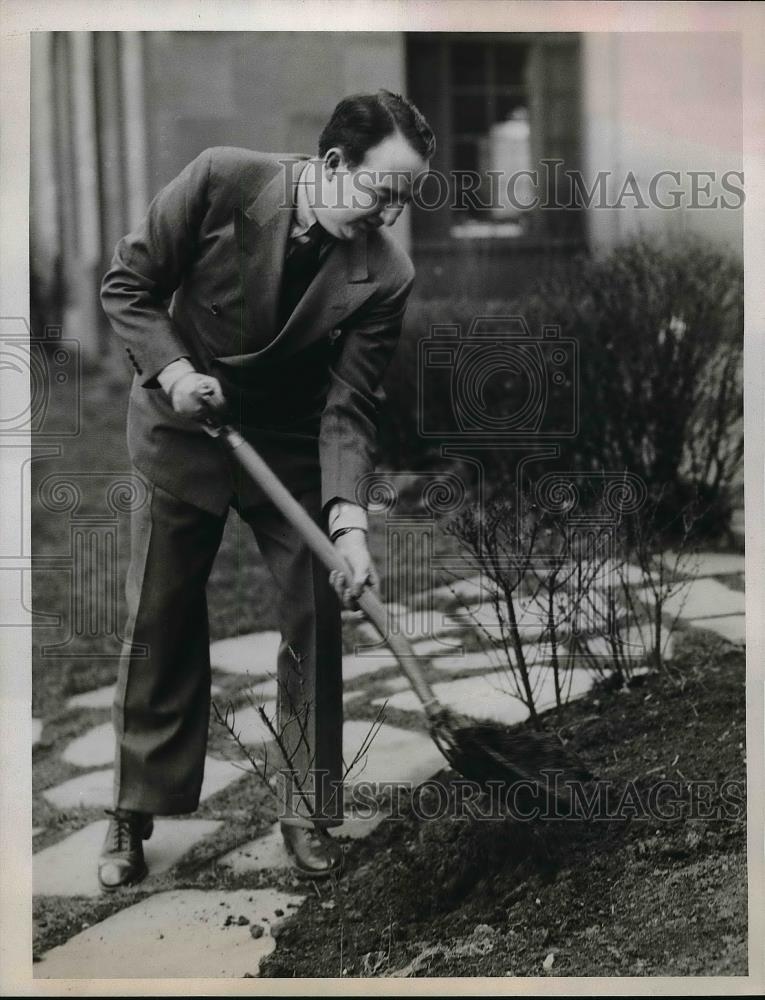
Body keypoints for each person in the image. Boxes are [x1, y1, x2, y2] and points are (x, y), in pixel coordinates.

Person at [97, 90, 434, 888]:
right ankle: (132, 809)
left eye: (404, 201)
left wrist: (348, 525)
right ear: (329, 166)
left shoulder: (386, 275)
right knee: (160, 612)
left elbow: (350, 406)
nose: (389, 217)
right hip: (182, 425)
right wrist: (175, 371)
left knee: (316, 608)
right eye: (380, 192)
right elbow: (128, 285)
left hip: (286, 445)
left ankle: (307, 804)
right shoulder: (221, 181)